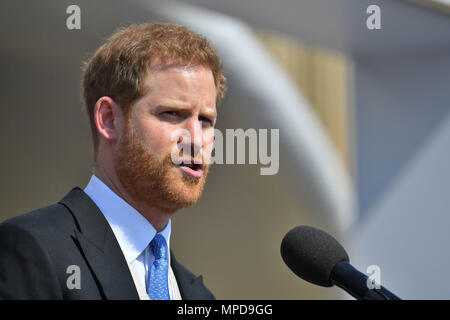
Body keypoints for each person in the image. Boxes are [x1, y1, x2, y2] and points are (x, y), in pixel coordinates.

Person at [0, 22, 226, 299]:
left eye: (206, 120)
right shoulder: (32, 249)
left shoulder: (200, 296)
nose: (195, 138)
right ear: (109, 119)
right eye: (172, 113)